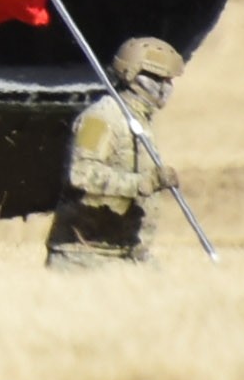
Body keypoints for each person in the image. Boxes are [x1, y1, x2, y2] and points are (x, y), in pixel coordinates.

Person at [47, 36, 187, 268]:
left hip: (128, 253)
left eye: (168, 80)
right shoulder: (102, 118)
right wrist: (144, 183)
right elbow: (82, 174)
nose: (164, 87)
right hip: (86, 256)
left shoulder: (140, 120)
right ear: (131, 74)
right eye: (155, 78)